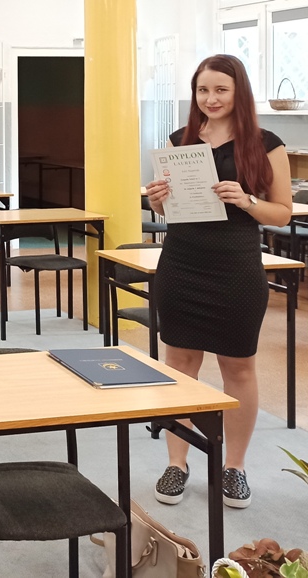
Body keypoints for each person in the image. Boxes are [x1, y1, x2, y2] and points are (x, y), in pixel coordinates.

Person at [145, 54, 292, 509]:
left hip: (236, 266)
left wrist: (247, 200)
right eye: (203, 90)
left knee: (239, 367)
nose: (210, 99)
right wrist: (157, 201)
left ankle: (235, 467)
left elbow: (282, 214)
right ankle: (177, 462)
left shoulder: (266, 144)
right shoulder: (179, 141)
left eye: (220, 90)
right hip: (182, 262)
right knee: (179, 364)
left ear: (238, 93)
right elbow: (167, 211)